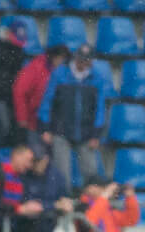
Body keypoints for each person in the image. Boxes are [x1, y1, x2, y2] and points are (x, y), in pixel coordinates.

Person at [39, 44, 107, 190]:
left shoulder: (97, 78)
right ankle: (65, 201)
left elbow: (100, 109)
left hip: (86, 133)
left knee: (91, 173)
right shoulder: (59, 74)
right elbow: (47, 101)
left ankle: (91, 202)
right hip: (61, 130)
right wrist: (45, 128)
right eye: (81, 59)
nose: (83, 63)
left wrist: (96, 134)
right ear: (76, 58)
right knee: (62, 174)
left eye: (87, 60)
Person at [13, 45, 65, 151]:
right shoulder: (36, 68)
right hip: (34, 121)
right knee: (36, 153)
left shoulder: (63, 72)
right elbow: (20, 92)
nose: (61, 62)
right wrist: (22, 117)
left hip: (54, 124)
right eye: (60, 58)